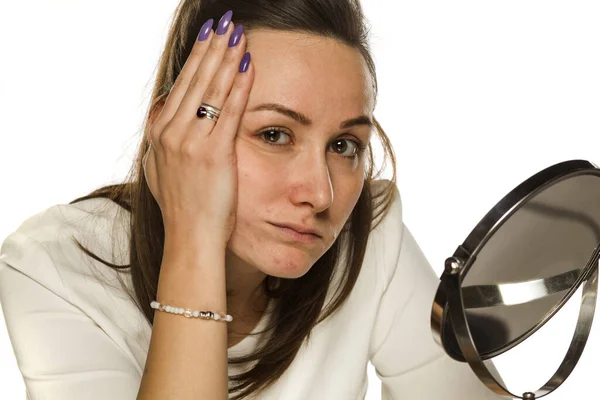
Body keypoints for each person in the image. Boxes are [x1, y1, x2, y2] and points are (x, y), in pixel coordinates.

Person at [0, 1, 506, 399]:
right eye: (274, 134)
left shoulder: (369, 237)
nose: (320, 193)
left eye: (344, 145)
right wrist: (194, 235)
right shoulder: (54, 266)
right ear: (175, 128)